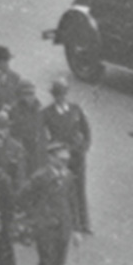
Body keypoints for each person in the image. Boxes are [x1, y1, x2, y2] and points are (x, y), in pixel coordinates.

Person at [23, 145, 77, 265]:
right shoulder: (40, 177)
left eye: (66, 160)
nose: (64, 163)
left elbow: (72, 202)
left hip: (63, 228)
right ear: (51, 158)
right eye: (61, 160)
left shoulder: (68, 176)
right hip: (46, 229)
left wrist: (75, 229)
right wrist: (35, 218)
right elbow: (24, 196)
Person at [42, 78, 94, 233]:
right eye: (57, 94)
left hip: (77, 155)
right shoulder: (47, 113)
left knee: (79, 189)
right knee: (62, 190)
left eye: (63, 94)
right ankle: (67, 223)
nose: (60, 97)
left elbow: (86, 130)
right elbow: (44, 135)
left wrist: (85, 147)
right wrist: (52, 150)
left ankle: (85, 224)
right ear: (54, 95)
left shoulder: (75, 109)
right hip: (60, 158)